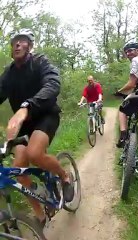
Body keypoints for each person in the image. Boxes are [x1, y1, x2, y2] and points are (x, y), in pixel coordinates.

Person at [0, 28, 74, 227]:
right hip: (25, 124)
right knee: (17, 171)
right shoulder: (9, 73)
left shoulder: (41, 62)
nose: (17, 44)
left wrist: (27, 106)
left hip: (45, 115)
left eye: (22, 41)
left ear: (30, 46)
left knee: (34, 153)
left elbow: (52, 84)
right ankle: (40, 214)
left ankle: (64, 177)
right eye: (14, 41)